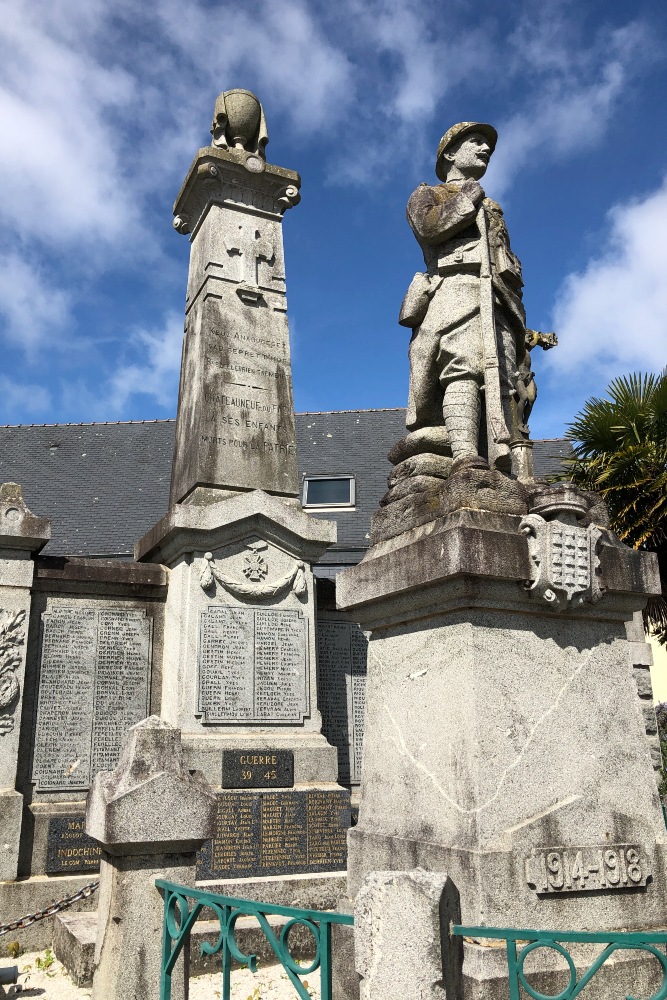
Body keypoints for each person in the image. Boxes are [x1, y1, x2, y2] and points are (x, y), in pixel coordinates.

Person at [400, 121, 533, 476]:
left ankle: (503, 463)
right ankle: (463, 454)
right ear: (450, 153)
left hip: (497, 298)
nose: (485, 149)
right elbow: (431, 228)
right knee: (463, 366)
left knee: (504, 378)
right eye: (476, 142)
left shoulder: (494, 207)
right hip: (456, 288)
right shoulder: (429, 194)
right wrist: (467, 198)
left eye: (487, 145)